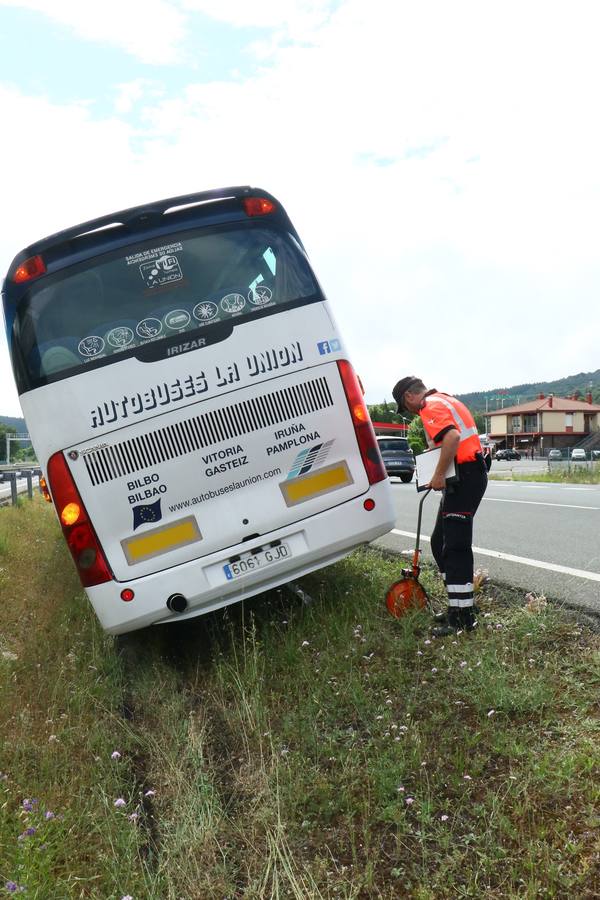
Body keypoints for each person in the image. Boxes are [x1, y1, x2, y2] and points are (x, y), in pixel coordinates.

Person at [392, 376, 488, 635]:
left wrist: (437, 475)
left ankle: (462, 618)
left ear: (409, 397)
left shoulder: (429, 406)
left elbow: (453, 437)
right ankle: (459, 604)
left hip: (464, 477)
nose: (410, 413)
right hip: (463, 477)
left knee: (454, 547)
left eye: (405, 407)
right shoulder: (445, 399)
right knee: (439, 541)